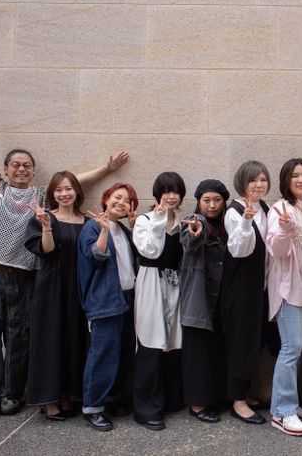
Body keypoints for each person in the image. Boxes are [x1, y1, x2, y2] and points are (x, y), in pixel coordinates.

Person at [0, 90, 129, 420]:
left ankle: (13, 393)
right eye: (16, 165)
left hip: (27, 277)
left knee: (21, 338)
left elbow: (70, 184)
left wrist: (105, 169)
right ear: (5, 169)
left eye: (27, 166)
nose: (21, 169)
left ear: (34, 171)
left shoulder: (40, 197)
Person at [23, 171, 88, 420]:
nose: (64, 194)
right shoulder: (45, 217)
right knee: (50, 340)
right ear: (52, 194)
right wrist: (47, 227)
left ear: (77, 192)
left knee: (73, 339)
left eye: (68, 188)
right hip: (52, 287)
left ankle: (67, 394)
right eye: (59, 190)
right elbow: (46, 251)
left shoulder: (86, 221)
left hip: (79, 287)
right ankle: (48, 400)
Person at [78, 183, 139, 431]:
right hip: (105, 299)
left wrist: (134, 228)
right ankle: (92, 407)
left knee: (123, 352)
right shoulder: (93, 226)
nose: (121, 203)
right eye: (118, 197)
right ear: (106, 198)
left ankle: (110, 397)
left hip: (127, 298)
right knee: (103, 354)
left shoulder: (123, 230)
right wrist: (103, 231)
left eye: (127, 200)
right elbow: (96, 257)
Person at [132, 172, 187, 431]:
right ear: (157, 194)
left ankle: (171, 400)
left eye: (175, 191)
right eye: (166, 191)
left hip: (173, 283)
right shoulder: (144, 220)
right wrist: (157, 221)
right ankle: (146, 410)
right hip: (151, 282)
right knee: (151, 339)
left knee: (173, 342)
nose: (171, 196)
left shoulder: (182, 222)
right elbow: (150, 251)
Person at [266, 159, 302, 436]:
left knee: (297, 350)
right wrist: (285, 229)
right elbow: (275, 249)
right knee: (291, 348)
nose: (300, 179)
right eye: (295, 175)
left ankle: (286, 402)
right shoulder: (281, 209)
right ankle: (282, 412)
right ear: (286, 180)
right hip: (288, 290)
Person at [222, 160, 271, 425]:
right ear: (242, 182)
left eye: (263, 179)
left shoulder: (266, 208)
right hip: (240, 289)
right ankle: (237, 402)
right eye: (253, 180)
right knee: (240, 342)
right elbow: (239, 250)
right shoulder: (235, 211)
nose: (259, 184)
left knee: (254, 341)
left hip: (260, 288)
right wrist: (245, 222)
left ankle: (246, 393)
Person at [180, 179, 230, 424]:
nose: (212, 205)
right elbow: (189, 242)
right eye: (207, 200)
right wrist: (196, 232)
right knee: (197, 353)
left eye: (217, 200)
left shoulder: (227, 224)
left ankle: (215, 398)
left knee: (215, 351)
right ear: (198, 202)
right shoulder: (194, 221)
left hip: (220, 299)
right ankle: (197, 405)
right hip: (198, 299)